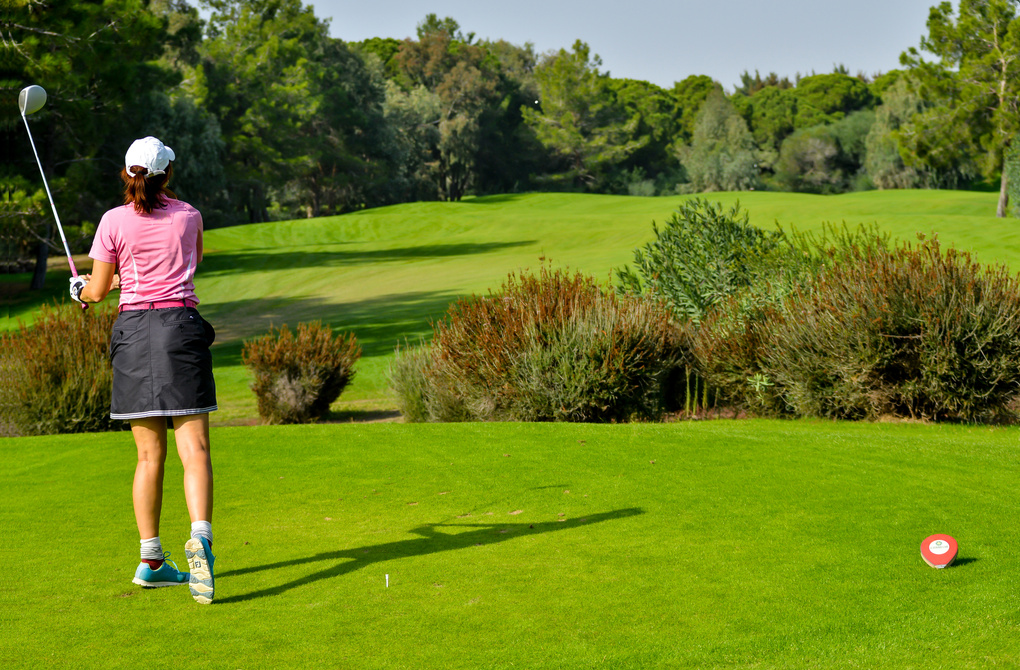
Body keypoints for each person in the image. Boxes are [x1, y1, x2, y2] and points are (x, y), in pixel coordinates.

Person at [73, 136, 217, 605]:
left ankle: (152, 560)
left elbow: (96, 292)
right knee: (193, 448)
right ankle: (201, 542)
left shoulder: (112, 220)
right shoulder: (189, 215)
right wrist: (118, 278)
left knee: (148, 457)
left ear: (127, 173)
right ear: (166, 174)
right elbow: (190, 262)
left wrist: (83, 289)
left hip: (134, 334)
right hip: (180, 327)